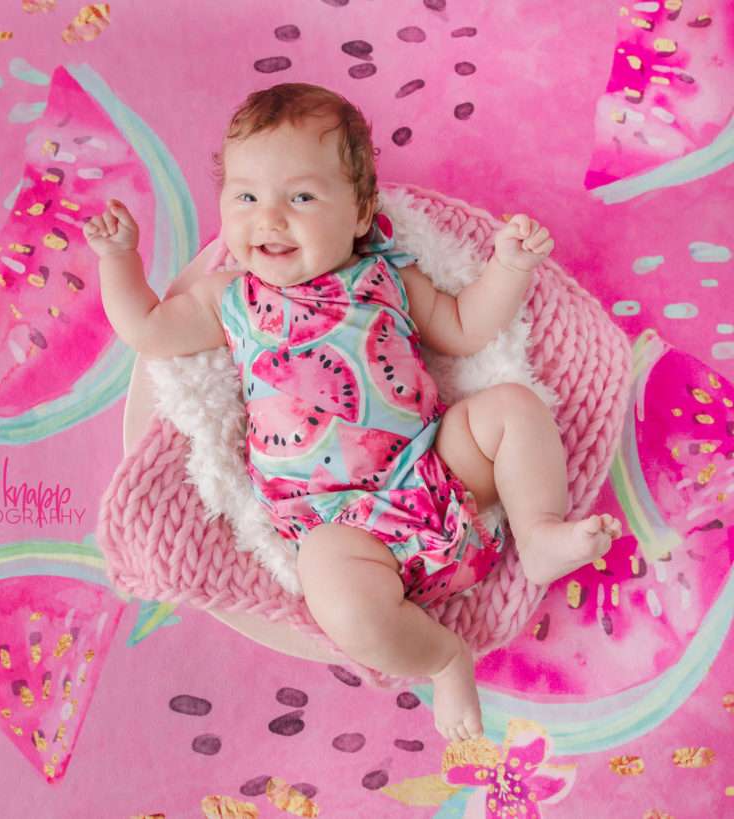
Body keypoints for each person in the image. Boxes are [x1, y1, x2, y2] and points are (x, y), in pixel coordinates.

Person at [82, 82, 621, 742]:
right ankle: (444, 657)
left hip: (436, 473)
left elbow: (465, 327)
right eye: (246, 197)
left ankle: (537, 533)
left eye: (300, 197)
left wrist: (509, 269)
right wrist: (119, 260)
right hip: (338, 527)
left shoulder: (387, 275)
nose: (270, 218)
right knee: (334, 595)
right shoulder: (230, 299)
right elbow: (147, 328)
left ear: (362, 210)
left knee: (514, 406)